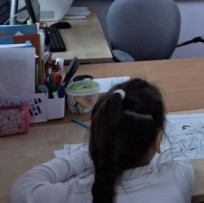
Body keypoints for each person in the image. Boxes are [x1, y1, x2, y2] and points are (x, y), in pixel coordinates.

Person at [10, 78, 194, 203]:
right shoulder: (177, 179)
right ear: (157, 140)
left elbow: (22, 187)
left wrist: (93, 151)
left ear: (97, 136)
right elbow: (177, 156)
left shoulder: (71, 195)